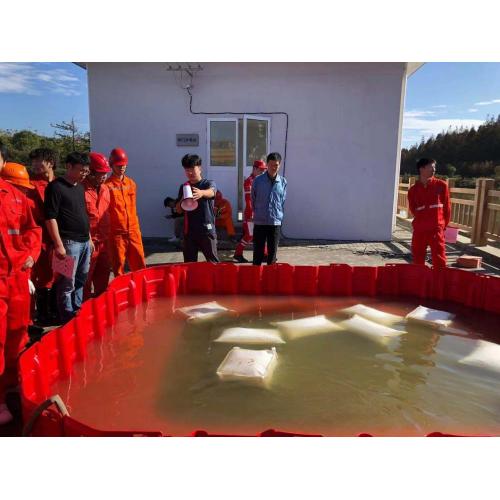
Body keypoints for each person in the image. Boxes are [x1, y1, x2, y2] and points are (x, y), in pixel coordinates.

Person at [0, 141, 41, 425]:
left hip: (17, 278)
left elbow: (33, 228)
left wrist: (30, 253)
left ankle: (12, 385)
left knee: (18, 333)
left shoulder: (15, 197)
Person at [44, 152, 92, 324]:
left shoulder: (80, 187)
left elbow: (83, 214)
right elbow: (50, 217)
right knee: (66, 283)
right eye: (82, 170)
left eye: (87, 171)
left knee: (81, 279)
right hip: (67, 243)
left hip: (84, 241)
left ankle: (76, 310)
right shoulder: (55, 187)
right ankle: (65, 316)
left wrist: (90, 238)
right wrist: (58, 245)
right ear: (69, 166)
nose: (85, 174)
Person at [106, 147, 146, 276]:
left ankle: (141, 289)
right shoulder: (107, 186)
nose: (122, 167)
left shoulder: (131, 183)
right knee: (118, 266)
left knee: (139, 263)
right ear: (112, 165)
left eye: (123, 165)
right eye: (118, 165)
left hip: (134, 230)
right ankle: (121, 292)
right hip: (116, 233)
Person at [29, 148, 58, 324]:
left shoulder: (60, 184)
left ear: (50, 163)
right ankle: (42, 314)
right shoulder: (30, 187)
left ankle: (56, 309)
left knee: (61, 274)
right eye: (33, 161)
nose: (35, 165)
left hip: (60, 240)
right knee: (42, 277)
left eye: (39, 160)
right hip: (40, 240)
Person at [175, 154, 219, 263]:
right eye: (186, 170)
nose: (189, 173)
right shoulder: (184, 186)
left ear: (200, 168)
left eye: (192, 169)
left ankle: (216, 280)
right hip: (189, 232)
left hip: (206, 230)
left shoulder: (208, 183)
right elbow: (179, 210)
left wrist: (201, 193)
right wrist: (182, 200)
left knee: (213, 262)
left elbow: (212, 192)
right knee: (189, 264)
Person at [408, 158, 451, 268]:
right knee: (417, 258)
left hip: (436, 229)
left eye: (434, 167)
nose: (434, 169)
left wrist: (442, 226)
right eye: (431, 167)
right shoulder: (413, 190)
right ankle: (419, 282)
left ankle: (439, 283)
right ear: (422, 169)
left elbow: (447, 208)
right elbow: (413, 209)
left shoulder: (442, 185)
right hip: (420, 230)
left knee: (439, 259)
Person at [83, 153, 112, 299]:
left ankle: (100, 304)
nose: (104, 177)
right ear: (90, 172)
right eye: (101, 174)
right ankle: (84, 306)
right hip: (88, 242)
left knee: (103, 275)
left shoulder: (106, 189)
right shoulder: (80, 190)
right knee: (85, 278)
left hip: (104, 241)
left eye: (106, 173)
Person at [251, 152, 287, 265]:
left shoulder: (283, 182)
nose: (273, 167)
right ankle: (255, 280)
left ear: (279, 165)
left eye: (276, 165)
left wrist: (278, 214)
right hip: (260, 222)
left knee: (272, 256)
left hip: (275, 223)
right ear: (267, 164)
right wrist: (258, 212)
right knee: (257, 255)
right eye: (271, 164)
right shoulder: (258, 181)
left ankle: (270, 280)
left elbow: (282, 201)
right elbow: (253, 199)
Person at [233, 159, 267, 263]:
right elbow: (248, 200)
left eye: (263, 170)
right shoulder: (249, 181)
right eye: (260, 170)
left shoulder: (261, 180)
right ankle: (238, 254)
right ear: (254, 169)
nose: (262, 172)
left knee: (261, 234)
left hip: (259, 212)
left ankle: (265, 255)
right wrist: (251, 213)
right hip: (251, 213)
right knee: (250, 235)